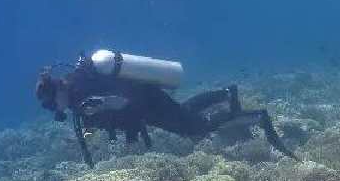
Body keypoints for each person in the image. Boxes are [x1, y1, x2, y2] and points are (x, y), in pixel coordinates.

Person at [34, 51, 297, 167]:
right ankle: (226, 93)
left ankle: (254, 116)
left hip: (147, 103)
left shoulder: (81, 90)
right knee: (185, 118)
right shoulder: (79, 93)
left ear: (57, 91)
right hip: (146, 107)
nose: (52, 109)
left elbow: (121, 101)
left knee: (195, 128)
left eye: (49, 104)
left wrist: (104, 105)